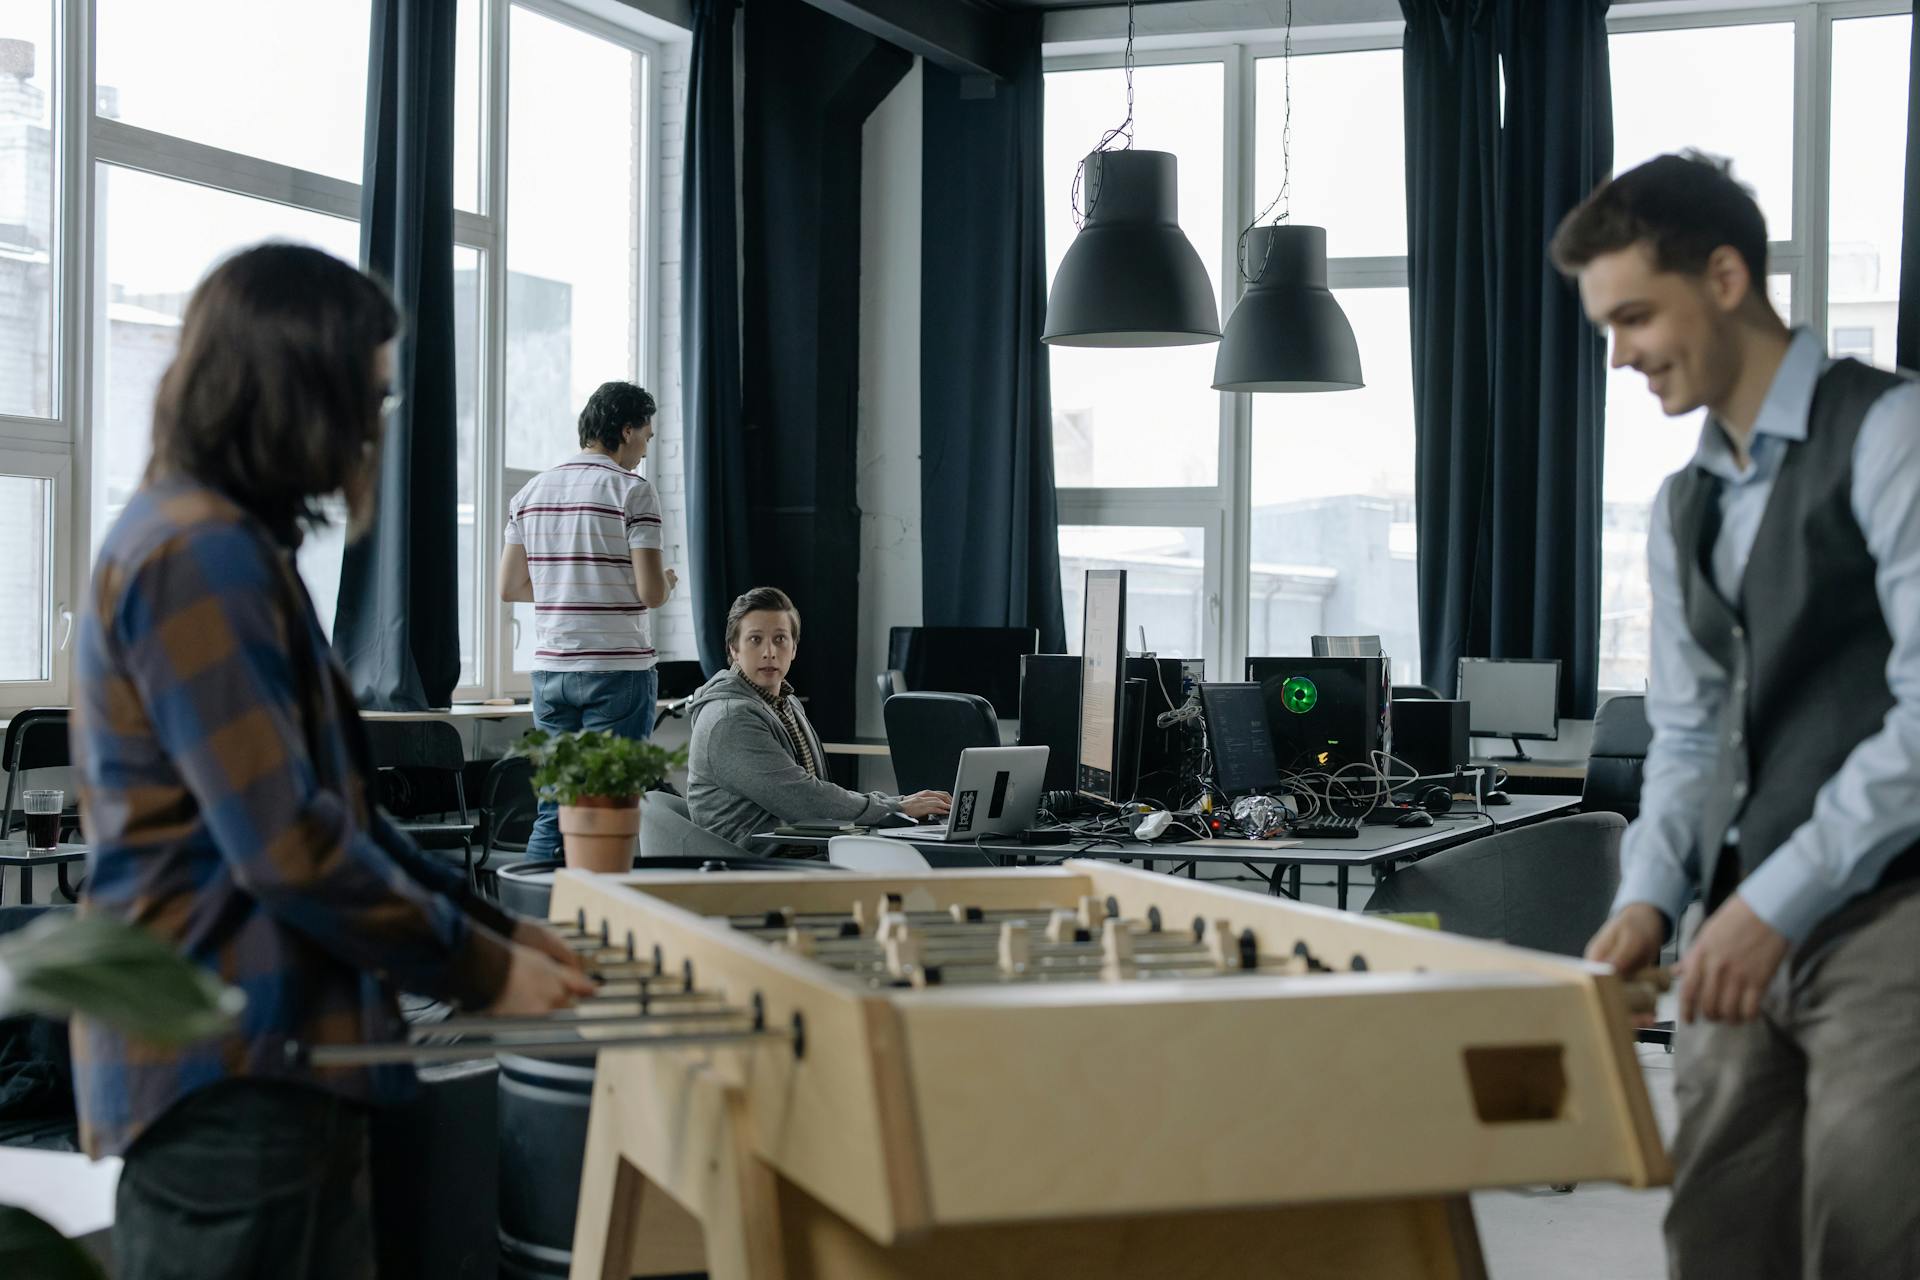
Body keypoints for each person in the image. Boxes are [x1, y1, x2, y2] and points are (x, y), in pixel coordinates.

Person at [69, 243, 595, 1280]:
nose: (370, 430)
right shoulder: (198, 554)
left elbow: (335, 818)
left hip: (267, 1060)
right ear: (297, 389)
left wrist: (504, 931)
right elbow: (291, 845)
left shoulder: (218, 544)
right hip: (235, 1067)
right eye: (369, 397)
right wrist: (487, 968)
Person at [1553, 153, 1920, 1278]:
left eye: (1634, 316)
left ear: (1724, 276)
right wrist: (1651, 899)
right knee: (1713, 1234)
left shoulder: (1892, 430)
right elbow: (1690, 734)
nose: (1618, 355)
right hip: (1734, 924)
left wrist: (1776, 899)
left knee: (1867, 1237)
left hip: (1890, 918)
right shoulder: (1683, 504)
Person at [498, 380, 676, 860]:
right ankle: (595, 926)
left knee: (555, 809)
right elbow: (651, 592)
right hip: (617, 673)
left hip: (551, 671)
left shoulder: (530, 494)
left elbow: (510, 587)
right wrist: (670, 580)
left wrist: (566, 587)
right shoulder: (632, 491)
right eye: (646, 436)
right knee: (608, 815)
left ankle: (539, 921)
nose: (646, 448)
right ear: (626, 429)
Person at [686, 587, 950, 848]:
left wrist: (897, 806)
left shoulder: (785, 702)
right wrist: (895, 806)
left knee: (915, 852)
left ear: (794, 649)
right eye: (755, 640)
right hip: (757, 866)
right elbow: (803, 799)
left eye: (780, 639)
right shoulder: (730, 719)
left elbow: (815, 793)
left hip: (798, 845)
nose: (769, 652)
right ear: (733, 649)